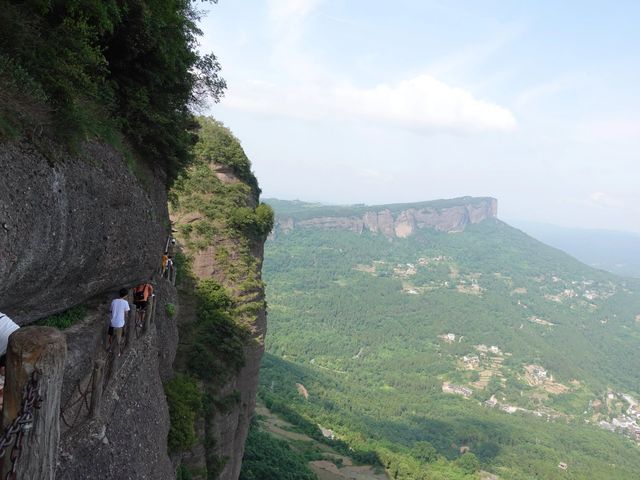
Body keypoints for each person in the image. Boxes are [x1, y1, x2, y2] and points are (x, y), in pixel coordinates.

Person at [108, 288, 130, 354]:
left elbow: (111, 310)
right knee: (119, 338)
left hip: (112, 322)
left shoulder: (113, 301)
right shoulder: (125, 302)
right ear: (126, 295)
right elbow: (126, 313)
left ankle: (111, 348)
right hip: (120, 324)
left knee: (110, 336)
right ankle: (118, 352)